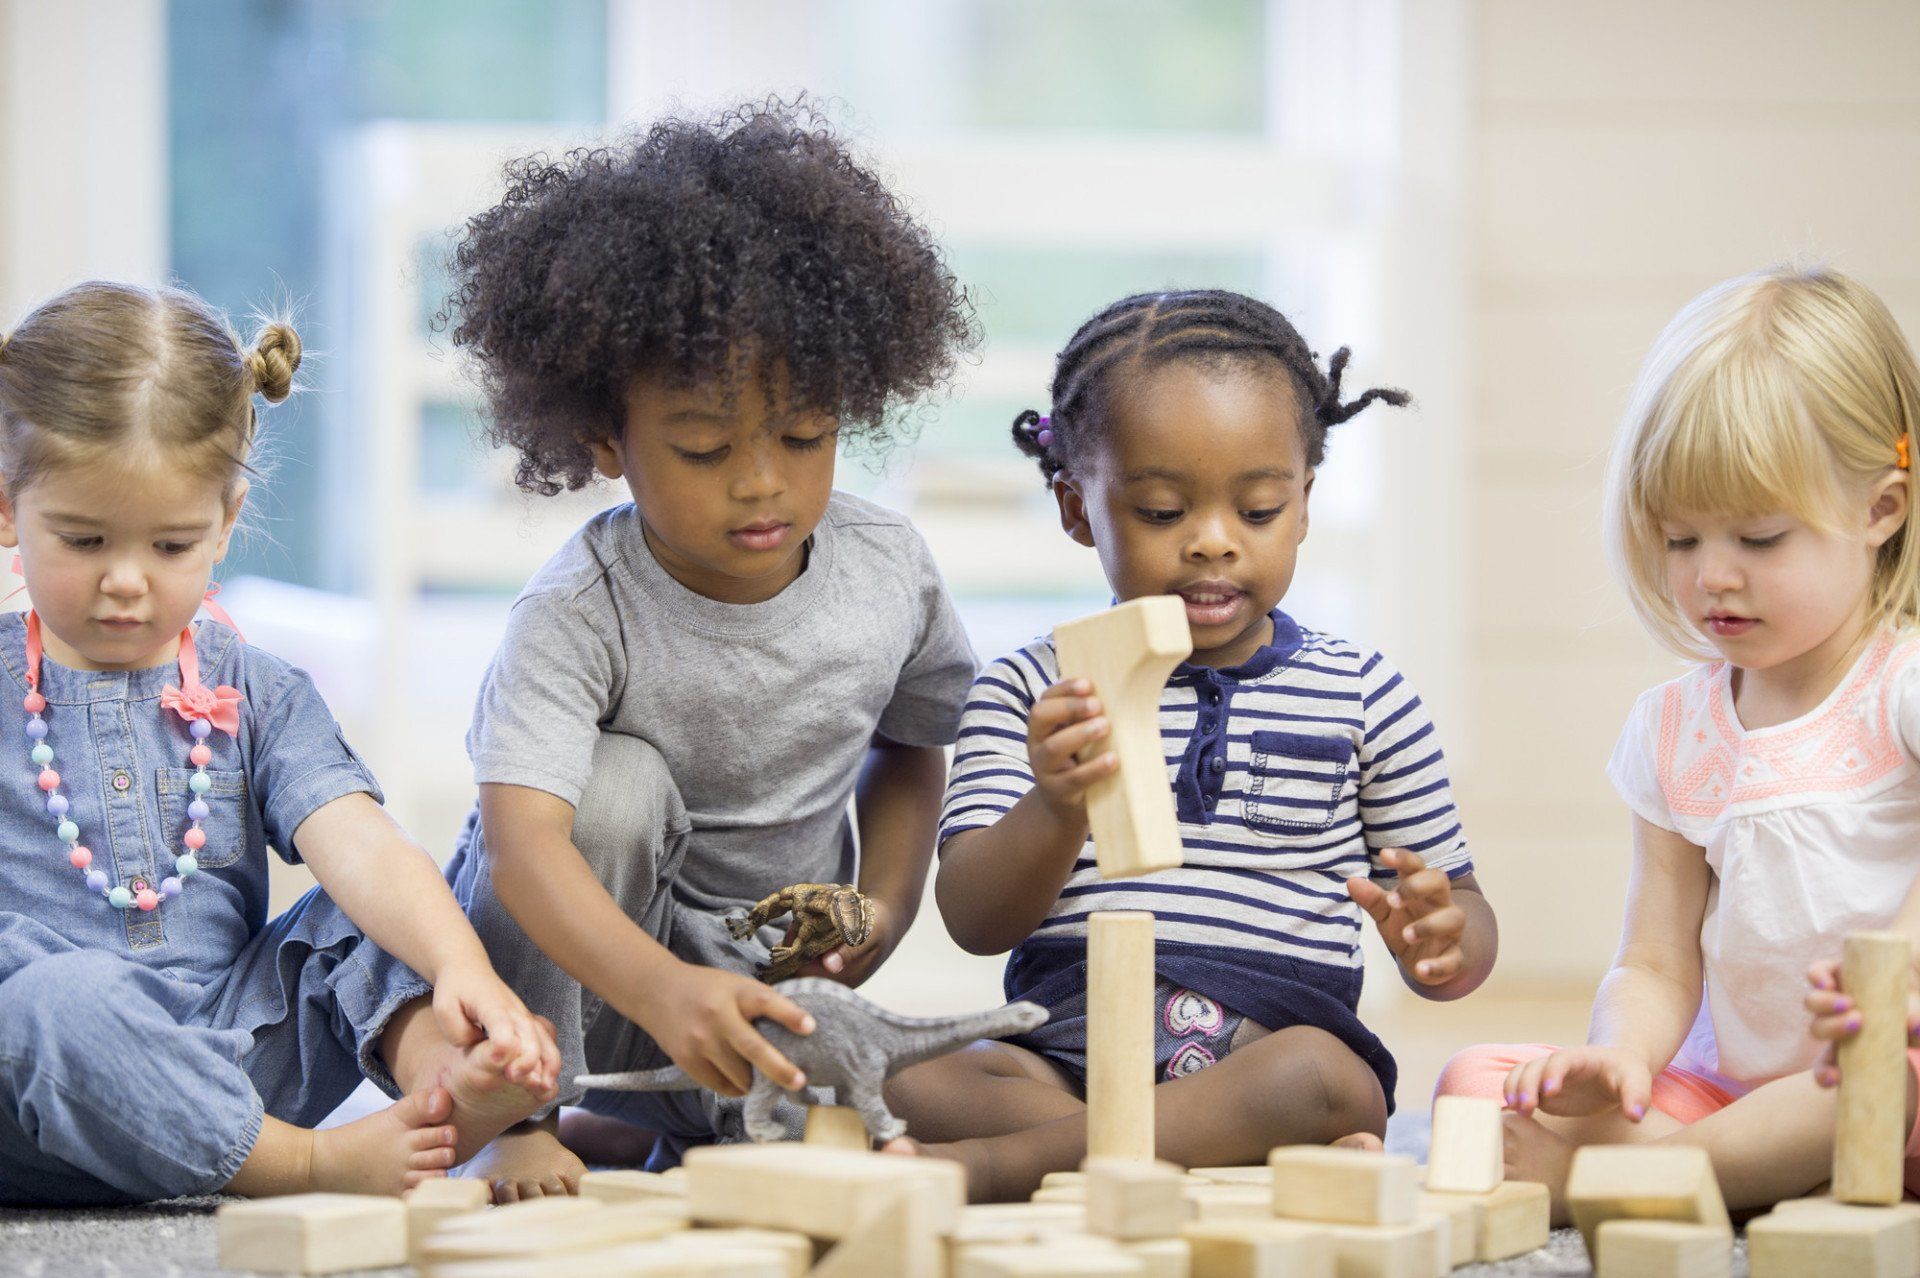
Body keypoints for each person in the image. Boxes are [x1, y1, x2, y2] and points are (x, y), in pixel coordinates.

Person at [440, 98, 980, 1196]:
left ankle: (671, 1127)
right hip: (599, 989)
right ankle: (524, 1108)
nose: (761, 482)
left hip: (763, 995)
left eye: (804, 435)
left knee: (956, 1101)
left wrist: (883, 903)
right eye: (702, 446)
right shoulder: (578, 611)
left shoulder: (888, 572)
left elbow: (916, 746)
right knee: (616, 790)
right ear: (604, 440)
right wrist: (658, 992)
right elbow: (523, 847)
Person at [889, 288, 1497, 1201]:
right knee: (892, 1066)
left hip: (1262, 1056)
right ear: (1076, 508)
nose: (1214, 544)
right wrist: (1057, 804)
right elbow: (978, 921)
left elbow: (1464, 915)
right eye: (1164, 512)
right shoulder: (1028, 690)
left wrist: (1442, 940)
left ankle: (1002, 1168)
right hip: (1064, 1054)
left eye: (1256, 512)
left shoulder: (1364, 694)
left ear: (1302, 506)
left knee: (1329, 1081)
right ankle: (1188, 1155)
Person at [0, 280, 559, 1205]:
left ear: (226, 520)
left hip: (237, 1057)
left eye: (172, 546)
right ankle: (312, 1165)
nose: (127, 582)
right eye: (86, 539)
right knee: (49, 997)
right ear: (10, 508)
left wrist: (461, 967)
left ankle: (449, 1097)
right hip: (37, 1091)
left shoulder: (256, 688)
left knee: (379, 908)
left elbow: (362, 846)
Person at [1439, 264, 1920, 1217]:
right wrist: (1619, 1052)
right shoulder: (1674, 730)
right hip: (1729, 1094)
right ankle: (1726, 1171)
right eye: (1681, 539)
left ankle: (1642, 1180)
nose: (1713, 578)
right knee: (1476, 1085)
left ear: (1880, 511)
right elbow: (1656, 962)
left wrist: (1892, 978)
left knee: (1877, 1078)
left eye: (1759, 538)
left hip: (1882, 1075)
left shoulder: (1901, 688)